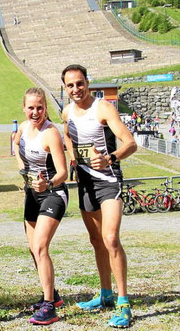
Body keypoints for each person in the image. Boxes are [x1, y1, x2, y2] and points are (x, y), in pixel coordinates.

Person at [61, 65, 137, 328]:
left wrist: (110, 158)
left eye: (79, 83)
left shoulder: (103, 108)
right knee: (96, 240)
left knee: (110, 238)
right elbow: (68, 136)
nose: (76, 89)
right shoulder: (67, 112)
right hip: (86, 183)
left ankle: (124, 302)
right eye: (70, 85)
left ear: (87, 83)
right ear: (65, 88)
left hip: (108, 182)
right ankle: (105, 294)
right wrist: (72, 158)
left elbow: (130, 142)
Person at [14, 88, 68, 325]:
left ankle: (49, 307)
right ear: (24, 108)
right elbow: (16, 145)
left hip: (53, 194)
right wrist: (23, 171)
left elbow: (65, 172)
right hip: (32, 194)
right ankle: (53, 295)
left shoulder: (51, 134)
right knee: (32, 248)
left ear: (45, 108)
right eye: (31, 107)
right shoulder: (23, 129)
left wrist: (48, 183)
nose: (35, 112)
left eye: (40, 107)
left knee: (41, 247)